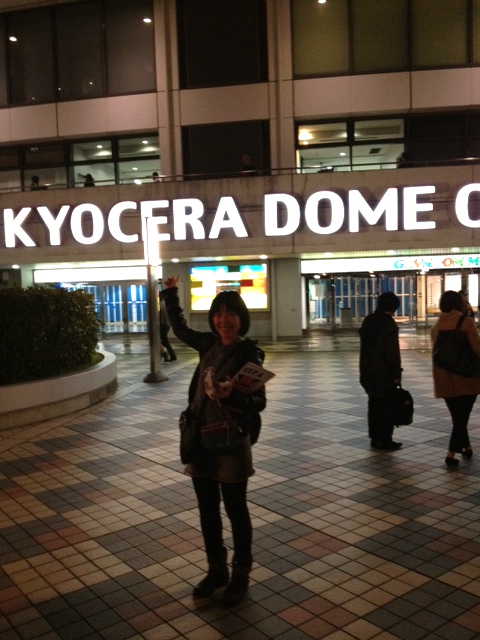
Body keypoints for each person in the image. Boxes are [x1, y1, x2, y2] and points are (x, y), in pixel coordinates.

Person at [162, 276, 266, 606]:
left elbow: (258, 401)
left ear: (241, 318)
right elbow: (180, 330)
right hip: (200, 439)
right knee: (207, 510)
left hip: (232, 443)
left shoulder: (249, 353)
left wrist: (232, 394)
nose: (224, 319)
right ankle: (216, 569)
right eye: (218, 313)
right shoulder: (208, 344)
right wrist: (170, 294)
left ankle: (240, 574)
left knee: (236, 510)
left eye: (231, 313)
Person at [431, 290, 480, 467]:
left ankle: (466, 446)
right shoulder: (465, 322)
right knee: (461, 419)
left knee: (458, 417)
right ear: (459, 304)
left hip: (444, 380)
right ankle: (450, 454)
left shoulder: (436, 326)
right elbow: (478, 349)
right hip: (466, 379)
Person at [359, 292, 403, 450]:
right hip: (384, 373)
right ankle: (385, 440)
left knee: (374, 405)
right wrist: (396, 374)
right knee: (386, 407)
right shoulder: (389, 324)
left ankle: (375, 437)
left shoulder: (368, 320)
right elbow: (392, 354)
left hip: (367, 371)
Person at [159, 290, 176, 362]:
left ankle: (171, 355)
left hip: (163, 325)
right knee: (162, 341)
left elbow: (161, 316)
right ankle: (163, 355)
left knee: (164, 341)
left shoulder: (161, 304)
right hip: (166, 324)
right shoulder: (164, 303)